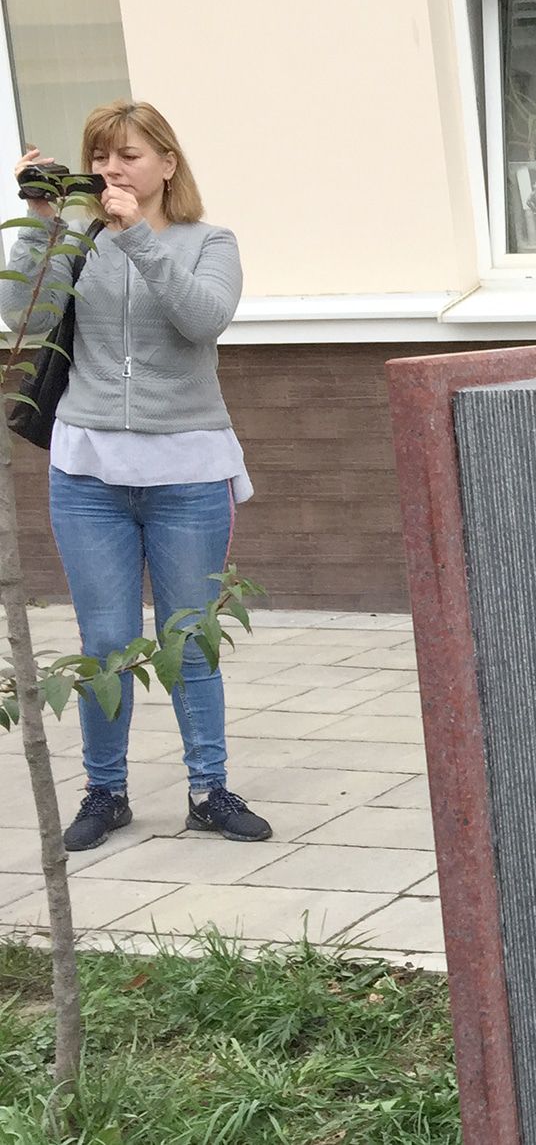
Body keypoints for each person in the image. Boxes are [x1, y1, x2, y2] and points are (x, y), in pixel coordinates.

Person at [1, 101, 266, 850]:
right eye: (100, 156)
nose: (112, 169)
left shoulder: (209, 241)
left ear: (167, 164)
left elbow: (203, 319)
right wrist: (40, 221)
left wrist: (137, 237)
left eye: (129, 155)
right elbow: (22, 315)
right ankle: (105, 791)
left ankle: (209, 789)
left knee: (189, 638)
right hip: (88, 473)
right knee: (106, 640)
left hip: (188, 472)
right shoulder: (76, 239)